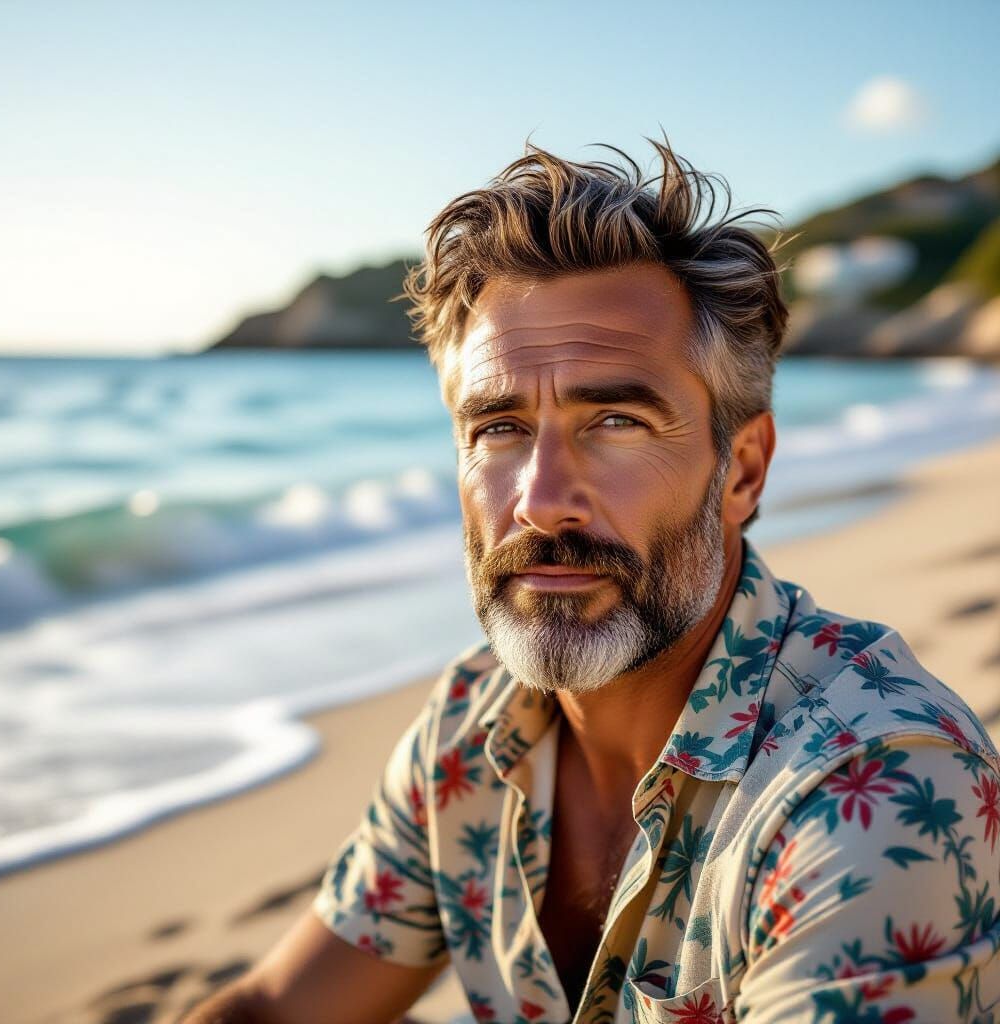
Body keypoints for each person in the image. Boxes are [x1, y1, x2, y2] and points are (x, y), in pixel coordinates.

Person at [184, 139, 1000, 1024]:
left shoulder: (870, 788)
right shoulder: (469, 731)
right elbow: (271, 1006)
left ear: (743, 470)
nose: (541, 503)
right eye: (497, 428)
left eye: (614, 420)